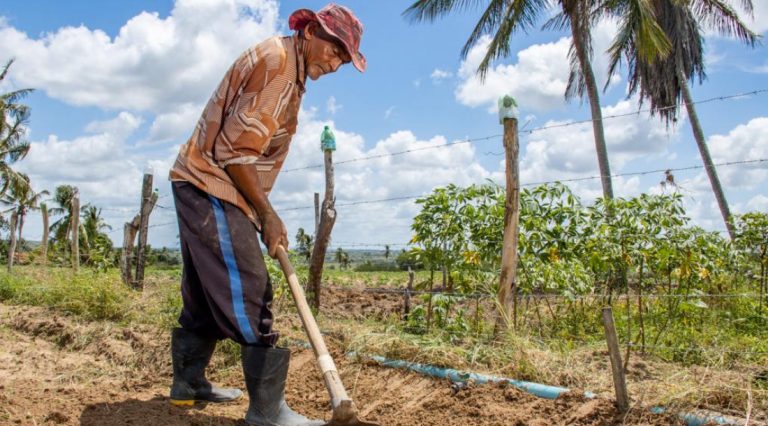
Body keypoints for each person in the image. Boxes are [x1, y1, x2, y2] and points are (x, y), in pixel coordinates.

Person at [167, 4, 365, 425]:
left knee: (205, 292)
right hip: (212, 183)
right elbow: (236, 154)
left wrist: (259, 211)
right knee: (251, 288)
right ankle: (267, 410)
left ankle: (188, 383)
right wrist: (267, 214)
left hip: (203, 180)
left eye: (344, 60)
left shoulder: (290, 70)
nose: (336, 64)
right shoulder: (278, 65)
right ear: (310, 31)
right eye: (335, 51)